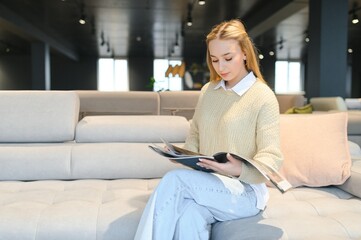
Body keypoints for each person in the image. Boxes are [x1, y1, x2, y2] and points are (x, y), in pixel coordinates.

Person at [134, 19, 283, 240]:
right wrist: (184, 155)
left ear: (244, 53)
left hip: (246, 192)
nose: (220, 67)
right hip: (211, 184)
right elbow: (196, 132)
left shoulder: (262, 96)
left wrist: (238, 170)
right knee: (189, 216)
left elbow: (272, 156)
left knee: (175, 181)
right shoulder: (209, 91)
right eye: (214, 60)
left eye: (228, 58)